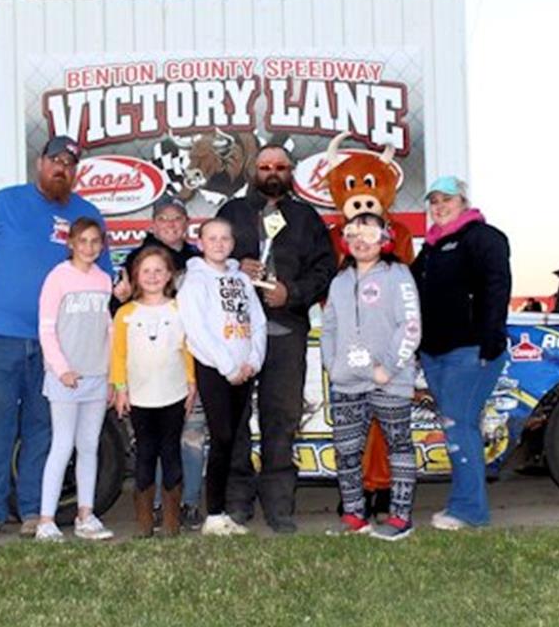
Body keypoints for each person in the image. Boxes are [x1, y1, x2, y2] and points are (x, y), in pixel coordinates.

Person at [0, 136, 113, 540]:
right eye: (55, 161)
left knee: (42, 428)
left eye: (69, 164)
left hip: (60, 347)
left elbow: (104, 280)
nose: (61, 169)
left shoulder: (87, 215)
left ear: (76, 172)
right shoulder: (5, 202)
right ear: (39, 163)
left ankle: (34, 510)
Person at [216, 145, 336, 533]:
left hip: (286, 329)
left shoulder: (305, 217)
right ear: (254, 169)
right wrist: (236, 265)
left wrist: (294, 293)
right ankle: (236, 503)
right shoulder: (232, 213)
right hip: (238, 329)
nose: (272, 172)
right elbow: (210, 259)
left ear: (291, 172)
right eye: (265, 166)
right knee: (234, 420)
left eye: (280, 167)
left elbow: (325, 268)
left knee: (281, 419)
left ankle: (279, 506)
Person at [410, 176, 511, 531]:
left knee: (458, 424)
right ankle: (466, 504)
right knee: (458, 424)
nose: (439, 206)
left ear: (463, 201)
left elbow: (498, 287)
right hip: (434, 354)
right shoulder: (431, 248)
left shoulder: (484, 238)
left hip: (470, 351)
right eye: (433, 200)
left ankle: (469, 510)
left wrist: (491, 339)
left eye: (447, 199)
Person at [321, 213, 421, 541]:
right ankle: (354, 516)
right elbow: (330, 327)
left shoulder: (398, 274)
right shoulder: (339, 281)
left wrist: (388, 368)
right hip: (347, 382)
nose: (360, 241)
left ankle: (400, 518)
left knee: (399, 447)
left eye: (369, 233)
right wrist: (332, 366)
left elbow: (410, 325)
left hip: (390, 380)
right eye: (353, 234)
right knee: (346, 450)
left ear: (384, 239)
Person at [112, 194, 207, 530]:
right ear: (153, 224)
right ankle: (151, 508)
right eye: (163, 219)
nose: (171, 224)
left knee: (191, 438)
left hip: (184, 375)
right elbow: (119, 332)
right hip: (143, 383)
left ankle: (189, 504)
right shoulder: (134, 259)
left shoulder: (199, 259)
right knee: (148, 446)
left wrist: (194, 380)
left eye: (177, 218)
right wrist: (119, 385)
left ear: (187, 224)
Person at [178, 218, 266, 537]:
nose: (218, 243)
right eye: (211, 238)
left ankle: (225, 511)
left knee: (234, 439)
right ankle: (213, 514)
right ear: (200, 243)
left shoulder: (240, 279)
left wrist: (253, 360)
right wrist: (228, 366)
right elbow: (197, 331)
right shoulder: (195, 282)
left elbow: (255, 320)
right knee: (222, 438)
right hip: (215, 370)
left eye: (225, 238)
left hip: (244, 371)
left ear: (232, 243)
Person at [34, 217, 115, 541]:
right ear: (71, 244)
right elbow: (46, 329)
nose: (89, 248)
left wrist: (110, 375)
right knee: (62, 445)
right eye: (83, 241)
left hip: (96, 376)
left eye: (95, 242)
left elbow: (108, 330)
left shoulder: (103, 280)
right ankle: (46, 520)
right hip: (65, 378)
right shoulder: (58, 278)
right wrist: (61, 367)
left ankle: (86, 514)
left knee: (89, 446)